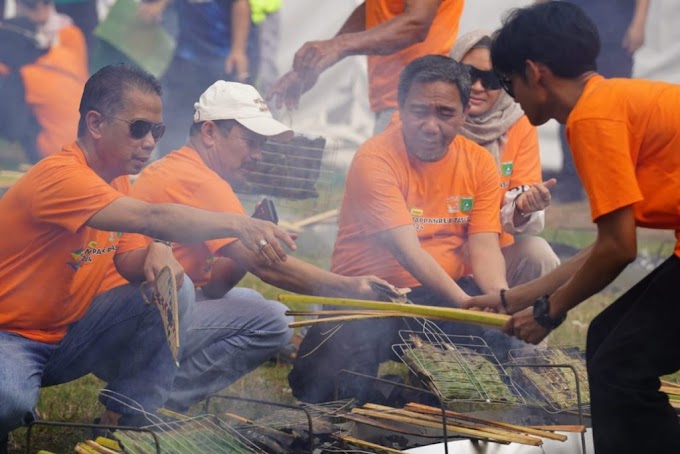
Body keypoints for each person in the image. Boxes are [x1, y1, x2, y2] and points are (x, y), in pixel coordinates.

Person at [0, 63, 295, 451]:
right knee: (10, 401)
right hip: (13, 336)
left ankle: (130, 419)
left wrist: (156, 251)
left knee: (176, 287)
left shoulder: (117, 178)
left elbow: (128, 261)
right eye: (139, 128)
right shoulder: (60, 176)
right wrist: (240, 225)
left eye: (157, 130)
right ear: (95, 123)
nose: (150, 141)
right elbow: (152, 216)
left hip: (71, 333)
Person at [98, 80, 387, 411]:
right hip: (126, 330)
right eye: (250, 142)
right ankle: (143, 403)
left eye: (260, 145)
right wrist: (349, 287)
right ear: (209, 132)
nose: (256, 155)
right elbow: (267, 268)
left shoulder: (193, 172)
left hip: (129, 318)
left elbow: (218, 285)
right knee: (274, 320)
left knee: (250, 301)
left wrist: (248, 244)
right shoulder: (199, 180)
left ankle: (142, 398)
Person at [471, 2, 680, 453]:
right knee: (608, 341)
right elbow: (613, 243)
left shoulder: (592, 119)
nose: (512, 97)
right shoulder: (609, 101)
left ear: (535, 72)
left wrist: (550, 312)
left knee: (617, 368)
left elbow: (619, 250)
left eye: (507, 83)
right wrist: (516, 298)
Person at [289, 55, 532, 404]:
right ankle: (378, 392)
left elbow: (484, 246)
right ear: (401, 108)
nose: (431, 126)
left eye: (445, 113)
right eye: (419, 112)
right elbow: (408, 250)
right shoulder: (375, 158)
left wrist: (496, 299)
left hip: (441, 295)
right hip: (369, 297)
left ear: (465, 113)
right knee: (327, 394)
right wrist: (464, 302)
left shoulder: (479, 162)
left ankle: (420, 396)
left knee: (486, 372)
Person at [449, 29, 560, 286]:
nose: (477, 87)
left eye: (491, 79)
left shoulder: (517, 123)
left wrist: (523, 206)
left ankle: (523, 325)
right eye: (469, 75)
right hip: (434, 254)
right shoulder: (433, 118)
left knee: (539, 255)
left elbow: (519, 207)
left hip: (491, 257)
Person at [268, 0, 465, 133]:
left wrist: (338, 46)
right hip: (395, 100)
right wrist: (321, 60)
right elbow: (372, 8)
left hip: (422, 103)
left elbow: (416, 24)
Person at [536, 0, 650, 203]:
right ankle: (571, 181)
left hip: (614, 31)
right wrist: (534, 19)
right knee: (568, 106)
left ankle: (615, 182)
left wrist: (639, 23)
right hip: (570, 31)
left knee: (614, 109)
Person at [137, 0, 259, 154]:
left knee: (221, 122)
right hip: (186, 56)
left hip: (221, 60)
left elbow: (240, 4)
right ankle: (170, 165)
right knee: (174, 118)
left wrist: (238, 50)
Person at [11, 0, 88, 163]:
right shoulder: (11, 29)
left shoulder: (69, 34)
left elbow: (79, 83)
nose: (39, 11)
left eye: (45, 3)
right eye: (31, 5)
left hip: (56, 140)